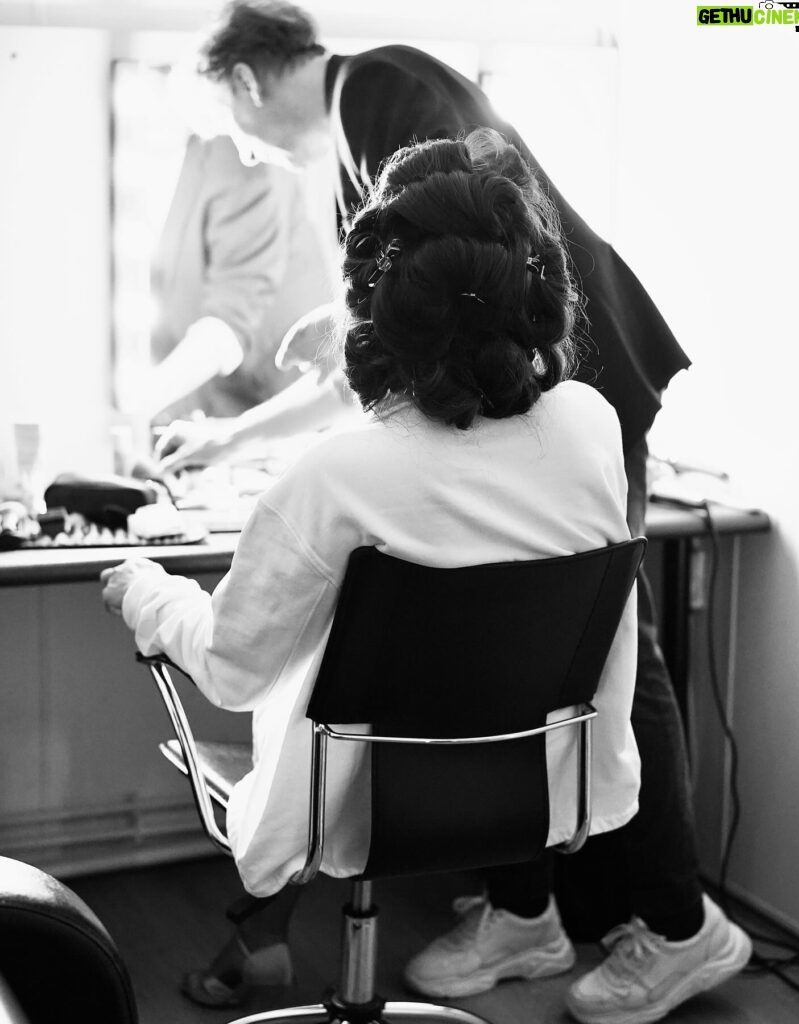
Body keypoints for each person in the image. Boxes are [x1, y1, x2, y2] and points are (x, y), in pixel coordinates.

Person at [154, 5, 754, 1023]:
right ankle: (526, 909)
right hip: (519, 392)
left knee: (605, 632)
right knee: (501, 638)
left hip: (573, 383)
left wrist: (259, 422)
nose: (239, 143)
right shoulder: (360, 142)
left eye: (228, 120)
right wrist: (233, 433)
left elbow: (465, 279)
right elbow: (388, 359)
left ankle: (680, 922)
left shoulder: (388, 90)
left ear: (248, 84)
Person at [101, 130, 643, 1010]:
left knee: (281, 705)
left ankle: (261, 936)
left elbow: (234, 671)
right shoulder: (589, 425)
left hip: (345, 812)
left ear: (375, 305)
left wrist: (148, 591)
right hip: (526, 789)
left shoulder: (337, 475)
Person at [129, 131, 336, 424]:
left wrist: (138, 407)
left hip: (293, 405)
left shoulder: (241, 153)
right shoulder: (176, 151)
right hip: (226, 410)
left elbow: (229, 323)